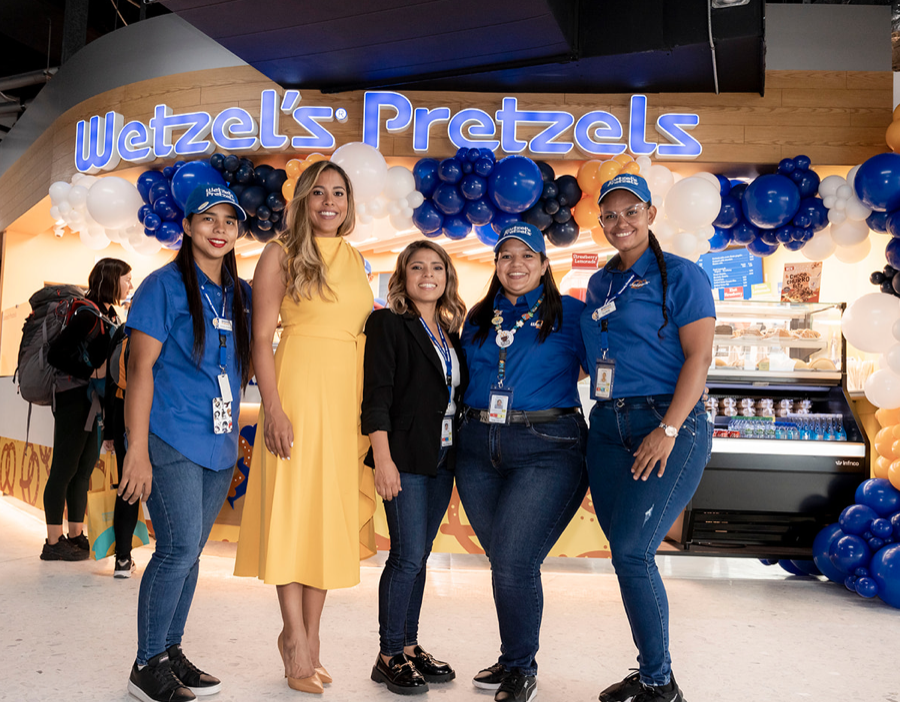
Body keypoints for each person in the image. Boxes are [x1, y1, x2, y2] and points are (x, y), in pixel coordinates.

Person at [234, 161, 376, 694]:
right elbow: (260, 337)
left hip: (345, 403)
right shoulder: (281, 253)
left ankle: (313, 638)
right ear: (301, 200)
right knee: (293, 512)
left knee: (325, 519)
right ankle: (293, 637)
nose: (329, 202)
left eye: (338, 192)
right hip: (296, 391)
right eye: (318, 192)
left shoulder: (358, 257)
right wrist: (272, 407)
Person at [579, 174, 715, 702]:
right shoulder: (599, 284)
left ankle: (660, 680)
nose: (620, 222)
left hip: (666, 421)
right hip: (608, 425)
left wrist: (669, 427)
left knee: (634, 552)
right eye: (610, 214)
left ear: (651, 215)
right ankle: (650, 671)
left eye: (631, 211)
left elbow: (699, 358)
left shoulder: (682, 276)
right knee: (624, 552)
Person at [118, 184, 252, 702]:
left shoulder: (235, 294)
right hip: (170, 436)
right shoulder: (163, 286)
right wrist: (136, 448)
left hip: (219, 443)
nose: (219, 230)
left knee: (192, 552)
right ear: (189, 228)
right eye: (208, 220)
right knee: (175, 550)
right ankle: (146, 662)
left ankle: (170, 650)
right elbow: (140, 369)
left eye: (229, 222)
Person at [455, 222, 589, 702]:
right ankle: (513, 655)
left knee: (513, 559)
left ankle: (519, 667)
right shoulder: (477, 316)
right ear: (496, 264)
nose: (516, 265)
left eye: (527, 256)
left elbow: (615, 367)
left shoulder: (575, 315)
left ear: (545, 265)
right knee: (505, 562)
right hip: (476, 447)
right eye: (507, 256)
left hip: (547, 446)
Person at [362, 241, 468, 695]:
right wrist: (383, 459)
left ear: (447, 277)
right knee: (405, 558)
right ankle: (388, 656)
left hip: (440, 458)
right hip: (402, 458)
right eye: (417, 267)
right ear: (403, 276)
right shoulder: (388, 323)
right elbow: (376, 398)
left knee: (419, 557)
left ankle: (408, 646)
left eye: (437, 267)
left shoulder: (448, 333)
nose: (428, 275)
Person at [40, 257, 131, 562]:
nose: (130, 284)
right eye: (126, 278)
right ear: (111, 279)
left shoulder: (109, 315)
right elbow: (56, 354)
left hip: (95, 404)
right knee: (63, 470)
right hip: (74, 399)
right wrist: (91, 373)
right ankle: (53, 542)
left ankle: (75, 534)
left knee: (82, 471)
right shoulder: (86, 314)